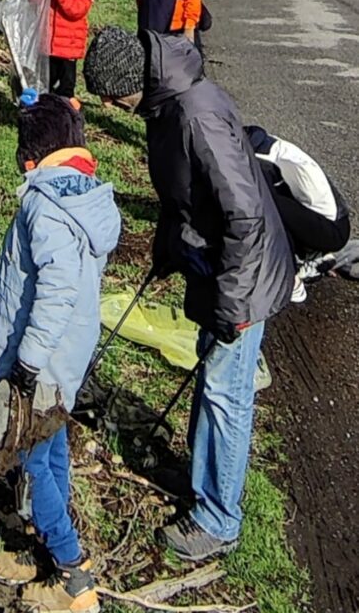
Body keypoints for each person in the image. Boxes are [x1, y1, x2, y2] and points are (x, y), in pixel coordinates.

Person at [0, 94, 121, 613]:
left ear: (31, 160)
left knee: (27, 459)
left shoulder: (42, 206)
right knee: (49, 451)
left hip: (42, 363)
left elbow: (56, 291)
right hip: (67, 358)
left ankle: (72, 576)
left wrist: (27, 363)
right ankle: (42, 551)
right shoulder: (87, 196)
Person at [137, 32, 294, 561]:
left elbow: (245, 216)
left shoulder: (195, 115)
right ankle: (201, 479)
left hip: (243, 275)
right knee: (212, 380)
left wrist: (232, 302)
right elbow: (180, 198)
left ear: (133, 84)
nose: (115, 110)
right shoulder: (167, 102)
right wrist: (167, 251)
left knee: (228, 397)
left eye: (114, 100)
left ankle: (219, 519)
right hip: (217, 266)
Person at [245, 124, 351, 301]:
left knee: (265, 205)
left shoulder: (262, 162)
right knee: (269, 201)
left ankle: (291, 279)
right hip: (333, 217)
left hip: (331, 230)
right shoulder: (270, 144)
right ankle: (313, 257)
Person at [49, 0, 97, 98]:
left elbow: (75, 10)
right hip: (50, 44)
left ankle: (66, 112)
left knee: (66, 86)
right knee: (47, 82)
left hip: (69, 45)